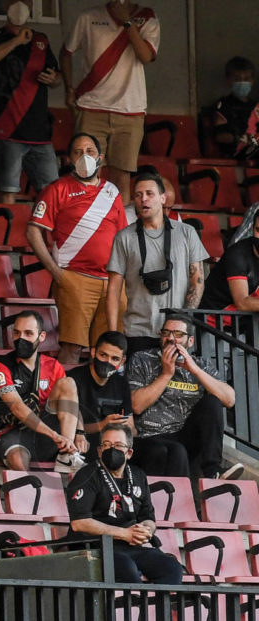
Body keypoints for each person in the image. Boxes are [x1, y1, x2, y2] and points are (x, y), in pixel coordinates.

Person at [27, 133, 127, 365]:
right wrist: (57, 273)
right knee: (72, 347)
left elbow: (124, 238)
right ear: (69, 159)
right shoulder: (57, 189)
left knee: (109, 350)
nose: (85, 157)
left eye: (90, 152)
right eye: (78, 152)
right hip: (75, 279)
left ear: (100, 157)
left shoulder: (112, 191)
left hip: (112, 283)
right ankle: (65, 400)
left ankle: (101, 401)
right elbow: (33, 231)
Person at [61, 1, 159, 202]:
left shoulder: (148, 18)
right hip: (91, 107)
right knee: (85, 172)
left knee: (121, 177)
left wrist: (127, 22)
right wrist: (69, 88)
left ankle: (118, 230)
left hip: (130, 110)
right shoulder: (88, 17)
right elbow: (66, 52)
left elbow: (146, 56)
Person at [126, 314, 241, 480]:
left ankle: (213, 471)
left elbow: (229, 399)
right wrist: (166, 374)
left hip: (184, 434)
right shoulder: (142, 359)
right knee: (176, 450)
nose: (171, 338)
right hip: (149, 437)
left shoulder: (201, 364)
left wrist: (194, 370)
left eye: (178, 334)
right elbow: (136, 405)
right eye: (166, 333)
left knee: (213, 402)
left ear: (191, 341)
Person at [106, 173, 208, 359]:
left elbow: (197, 281)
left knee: (177, 387)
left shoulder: (187, 233)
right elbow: (113, 289)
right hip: (138, 331)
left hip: (177, 333)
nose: (143, 199)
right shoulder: (124, 237)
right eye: (138, 195)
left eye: (149, 193)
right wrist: (114, 335)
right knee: (139, 387)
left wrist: (183, 321)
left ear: (163, 198)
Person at [66, 424, 183, 585]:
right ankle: (135, 607)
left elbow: (148, 517)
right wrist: (124, 533)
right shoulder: (86, 475)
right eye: (106, 445)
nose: (111, 449)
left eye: (118, 445)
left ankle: (157, 609)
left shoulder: (138, 475)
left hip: (130, 546)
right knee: (127, 568)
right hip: (95, 547)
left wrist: (146, 530)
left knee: (172, 568)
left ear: (129, 453)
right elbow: (79, 523)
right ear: (99, 451)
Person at [0, 0, 61, 204]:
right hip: (8, 127)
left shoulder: (41, 40)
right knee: (9, 190)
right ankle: (7, 234)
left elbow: (57, 77)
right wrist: (16, 41)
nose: (20, 5)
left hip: (39, 130)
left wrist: (53, 79)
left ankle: (45, 235)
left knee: (51, 192)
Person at [0, 310, 85, 472]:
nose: (21, 338)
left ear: (42, 336)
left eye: (28, 333)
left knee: (68, 383)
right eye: (17, 333)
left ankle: (66, 456)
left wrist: (79, 433)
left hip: (48, 436)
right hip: (11, 433)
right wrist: (54, 435)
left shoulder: (53, 366)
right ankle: (26, 494)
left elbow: (71, 404)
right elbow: (17, 407)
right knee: (17, 460)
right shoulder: (0, 367)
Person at [66, 331, 134, 459]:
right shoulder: (73, 379)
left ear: (122, 361)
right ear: (93, 352)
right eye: (103, 355)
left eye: (115, 359)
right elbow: (66, 428)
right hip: (81, 444)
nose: (108, 362)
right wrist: (102, 425)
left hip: (113, 443)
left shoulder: (121, 383)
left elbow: (132, 428)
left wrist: (123, 427)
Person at [200, 215, 259, 318]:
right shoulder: (238, 254)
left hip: (244, 324)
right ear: (252, 229)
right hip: (213, 323)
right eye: (258, 230)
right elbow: (242, 303)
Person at [212, 56, 257, 159]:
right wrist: (239, 138)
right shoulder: (223, 105)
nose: (242, 83)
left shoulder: (256, 107)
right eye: (237, 79)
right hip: (235, 153)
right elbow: (220, 136)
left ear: (252, 81)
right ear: (228, 80)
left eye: (246, 79)